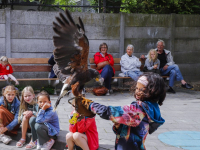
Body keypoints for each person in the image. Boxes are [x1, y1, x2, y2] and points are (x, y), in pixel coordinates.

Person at [76, 72, 166, 150]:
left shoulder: (140, 108)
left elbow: (111, 112)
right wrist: (119, 126)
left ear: (153, 91)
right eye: (137, 88)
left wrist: (90, 105)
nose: (137, 92)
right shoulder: (152, 107)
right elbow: (129, 127)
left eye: (141, 89)